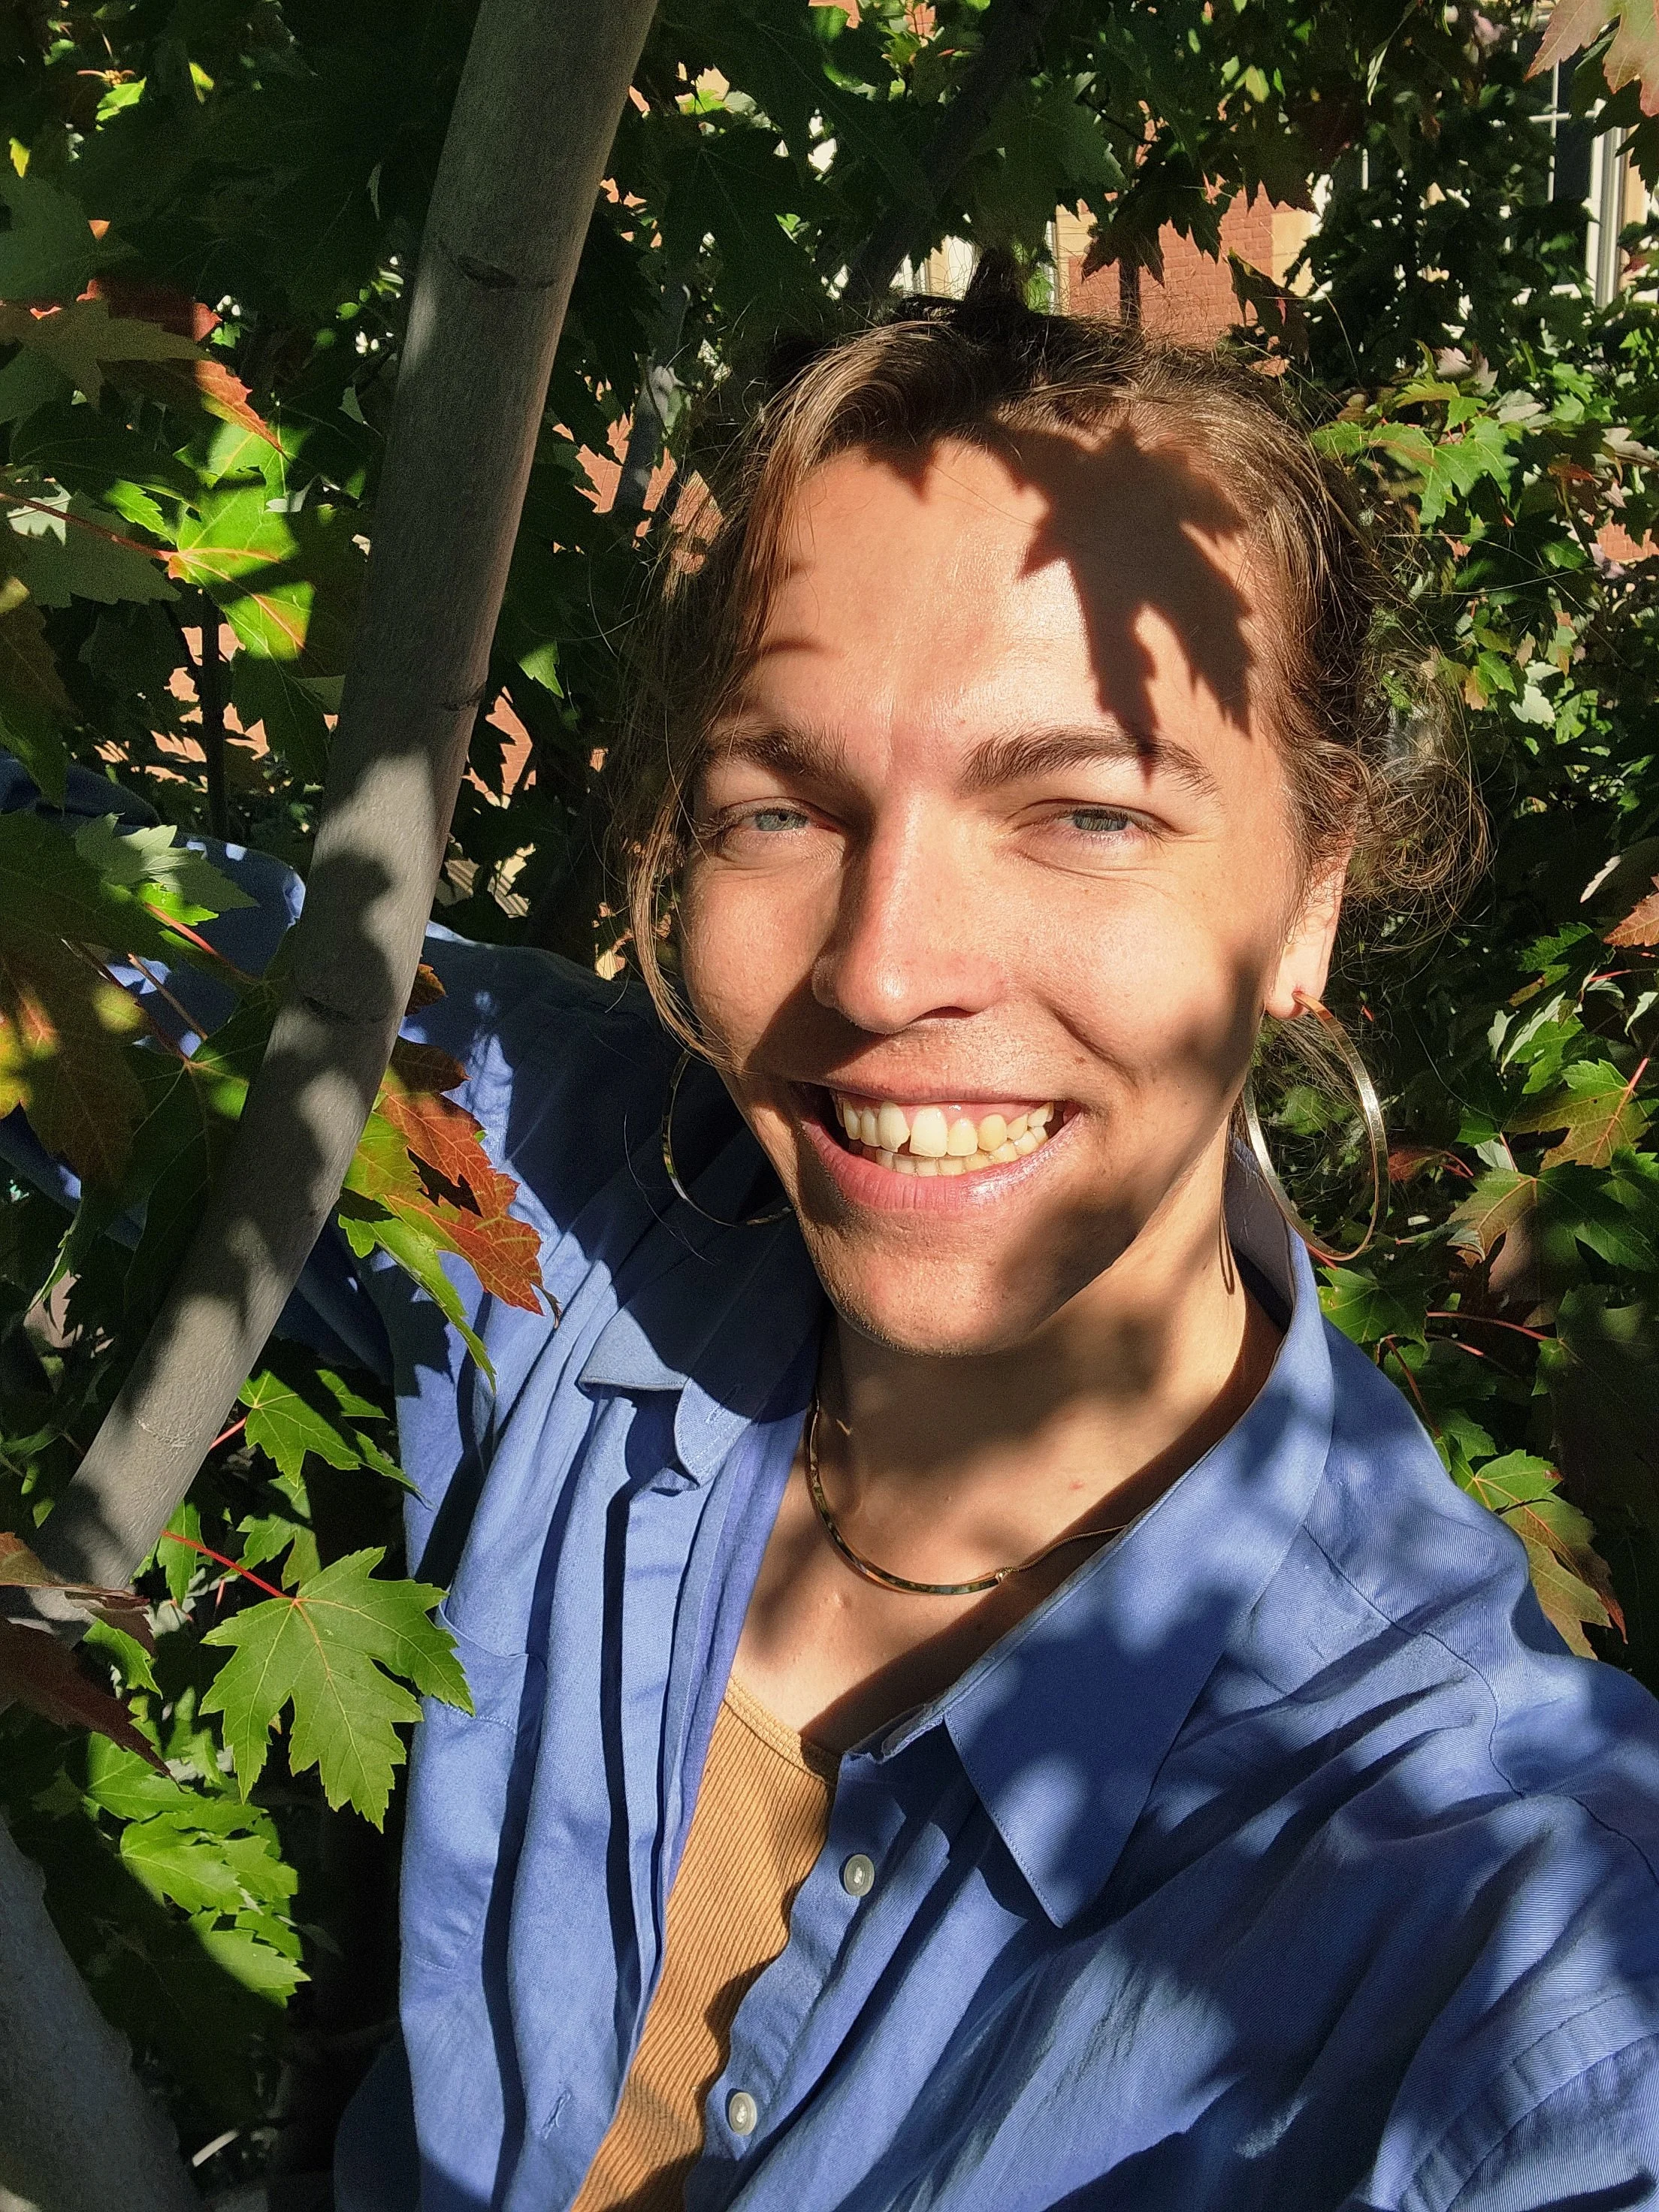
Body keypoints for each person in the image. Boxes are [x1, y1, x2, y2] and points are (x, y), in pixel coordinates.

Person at [8, 276, 1659, 2212]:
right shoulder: (577, 1194)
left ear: (1312, 896)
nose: (881, 972)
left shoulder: (1489, 1897)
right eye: (779, 810)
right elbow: (73, 932)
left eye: (1084, 814)